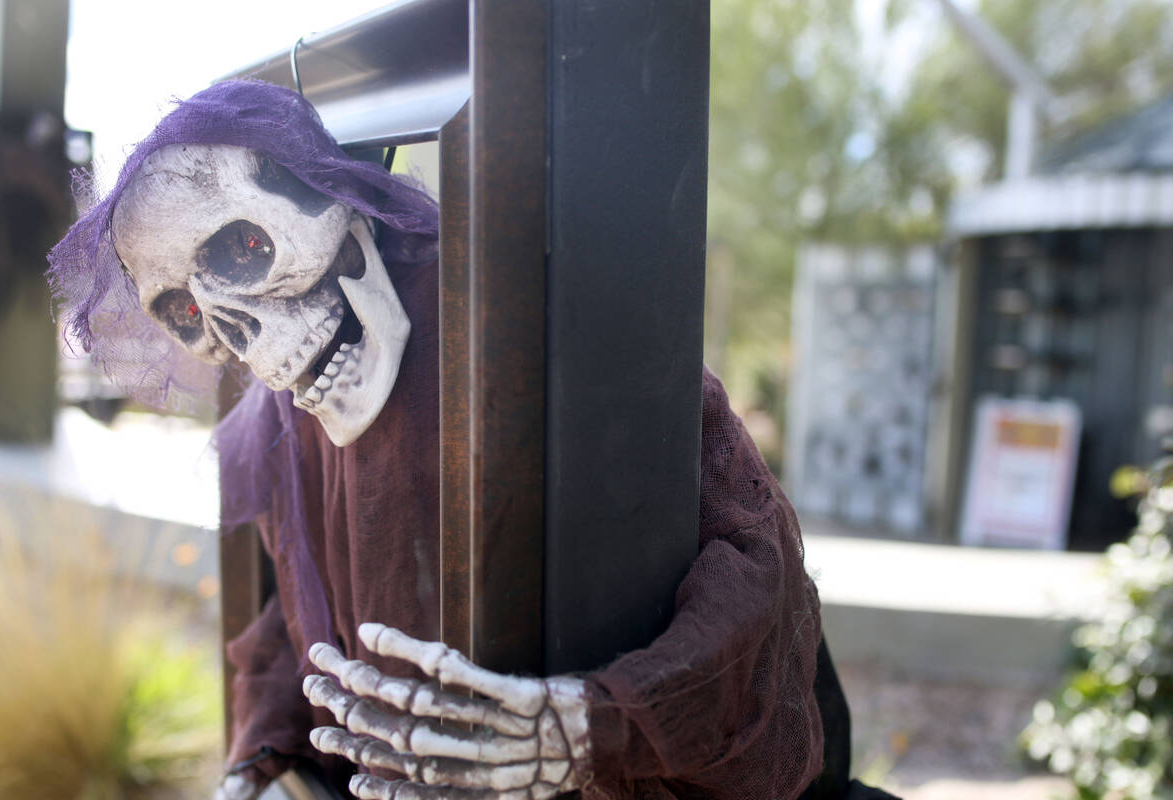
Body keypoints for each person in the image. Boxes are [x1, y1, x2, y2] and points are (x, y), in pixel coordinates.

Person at [49, 80, 891, 800]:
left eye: (242, 249)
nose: (246, 341)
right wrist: (260, 763)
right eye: (190, 316)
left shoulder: (532, 330)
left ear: (332, 202)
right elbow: (294, 609)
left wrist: (594, 725)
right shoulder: (283, 421)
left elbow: (753, 561)